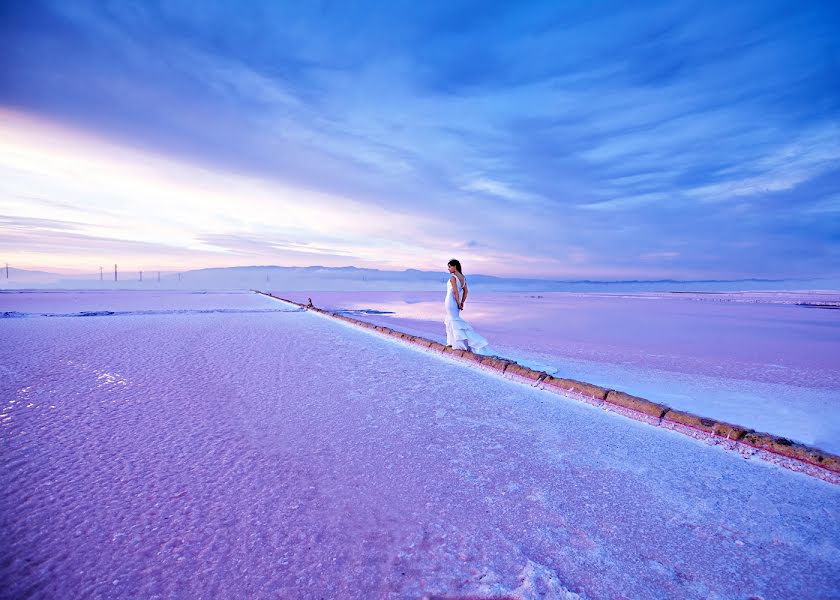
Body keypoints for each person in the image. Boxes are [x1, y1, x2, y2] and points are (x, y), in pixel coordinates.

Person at [444, 259, 490, 354]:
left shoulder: (453, 278)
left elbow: (455, 292)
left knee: (453, 320)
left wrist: (458, 303)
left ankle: (456, 345)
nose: (448, 269)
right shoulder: (463, 278)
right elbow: (466, 291)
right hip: (455, 302)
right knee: (454, 320)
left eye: (449, 266)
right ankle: (454, 343)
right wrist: (462, 302)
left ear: (455, 266)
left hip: (451, 301)